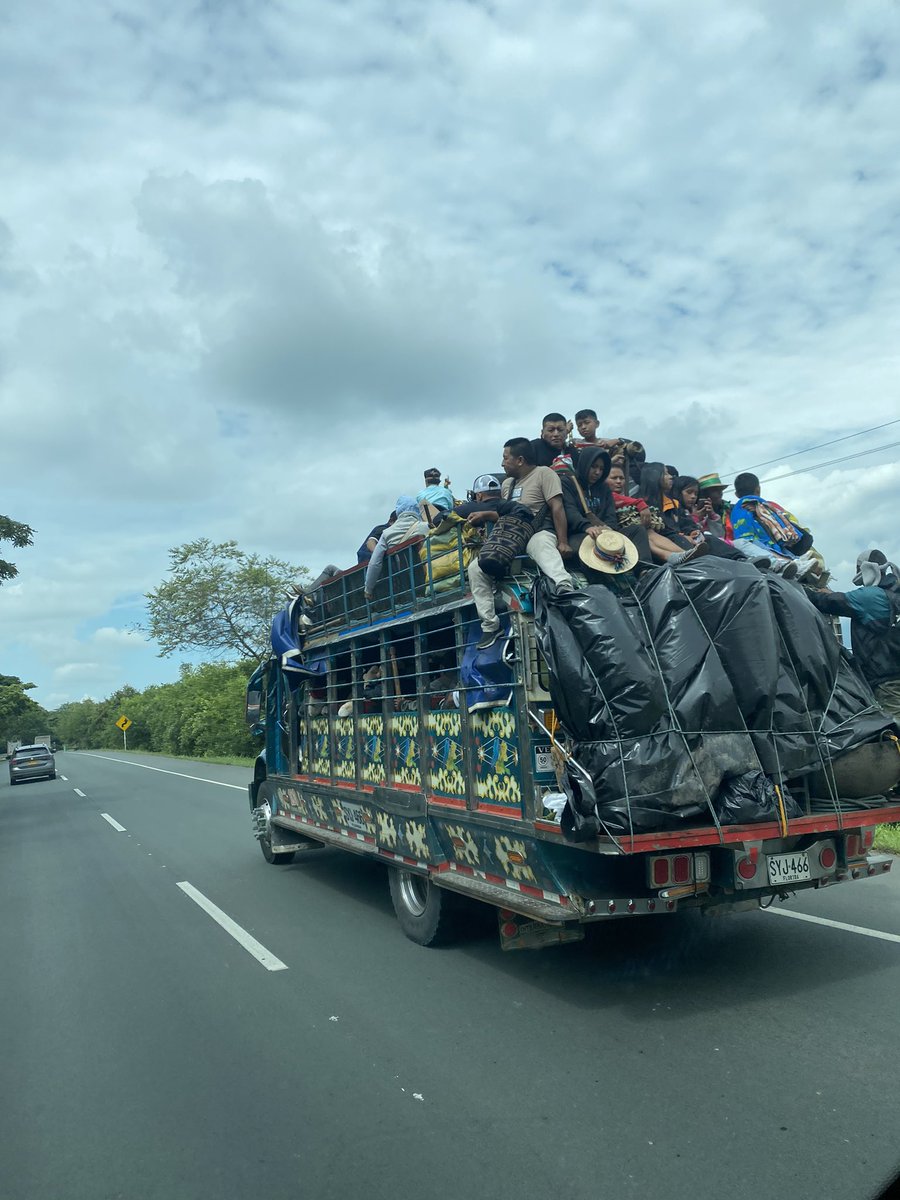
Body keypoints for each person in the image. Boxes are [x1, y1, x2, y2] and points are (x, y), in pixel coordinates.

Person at [467, 437, 574, 649]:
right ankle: (490, 626)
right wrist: (487, 515)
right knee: (475, 568)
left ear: (520, 460)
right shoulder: (508, 484)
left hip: (539, 531)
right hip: (513, 537)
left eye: (506, 458)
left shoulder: (545, 474)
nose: (502, 463)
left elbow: (557, 508)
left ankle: (564, 587)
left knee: (542, 545)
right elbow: (507, 515)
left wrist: (562, 542)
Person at [807, 551, 900, 720]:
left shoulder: (871, 596)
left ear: (866, 569)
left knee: (895, 727)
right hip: (895, 673)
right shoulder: (893, 595)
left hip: (887, 682)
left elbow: (829, 602)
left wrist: (805, 591)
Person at [730, 472, 823, 580]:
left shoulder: (737, 509)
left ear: (736, 494)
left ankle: (796, 563)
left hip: (756, 543)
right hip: (769, 542)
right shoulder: (762, 504)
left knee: (742, 543)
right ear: (758, 489)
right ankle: (797, 563)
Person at [364, 496, 429, 598]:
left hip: (403, 587)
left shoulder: (387, 534)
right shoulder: (425, 527)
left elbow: (375, 563)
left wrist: (368, 589)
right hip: (428, 580)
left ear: (399, 511)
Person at [559, 447, 617, 554]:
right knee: (588, 547)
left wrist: (609, 528)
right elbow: (570, 510)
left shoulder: (604, 488)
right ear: (585, 464)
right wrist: (587, 527)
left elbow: (611, 514)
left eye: (601, 469)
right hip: (580, 534)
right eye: (594, 466)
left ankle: (644, 570)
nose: (597, 472)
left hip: (606, 534)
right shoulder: (568, 483)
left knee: (637, 531)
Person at [695, 472, 733, 540]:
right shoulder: (694, 511)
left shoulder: (729, 508)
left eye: (720, 490)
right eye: (715, 491)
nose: (720, 493)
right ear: (704, 495)